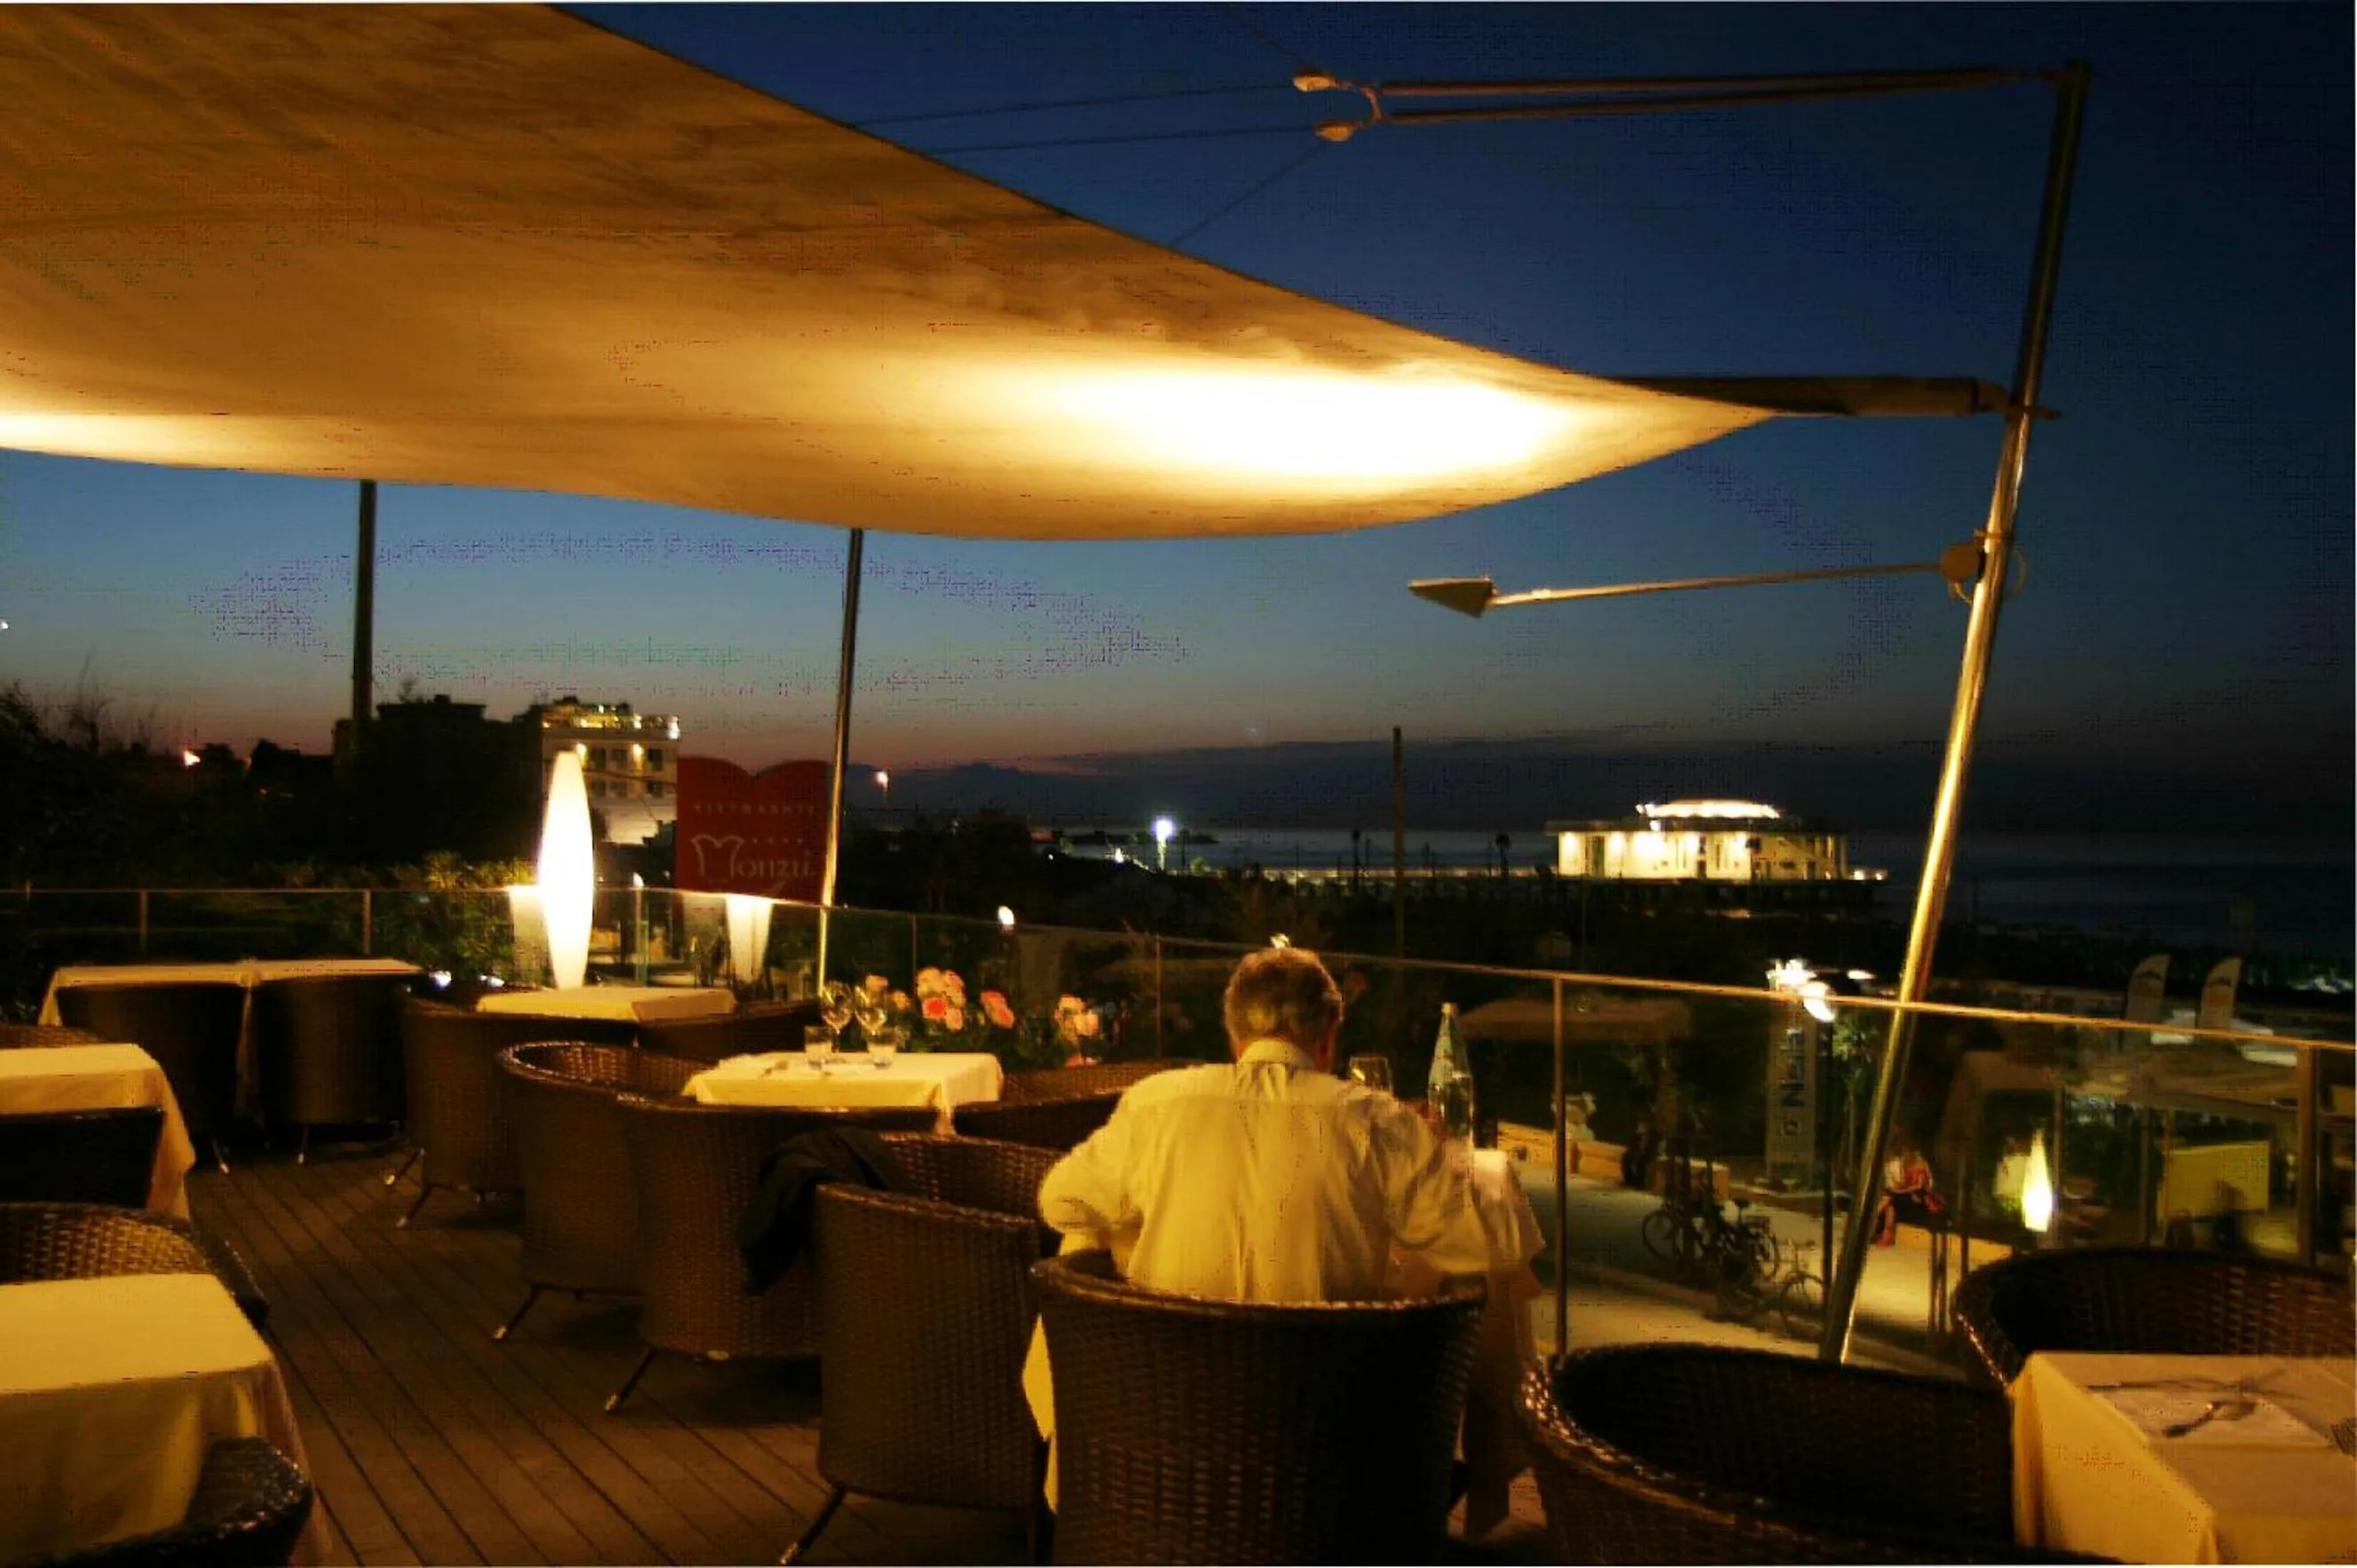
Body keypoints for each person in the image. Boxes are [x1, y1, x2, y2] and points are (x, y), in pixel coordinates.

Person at [1037, 946, 1495, 1301]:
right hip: (1342, 1406)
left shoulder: (1157, 1103)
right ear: (1329, 1035)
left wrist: (1146, 1219)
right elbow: (1483, 1246)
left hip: (1166, 1394)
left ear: (1234, 1037)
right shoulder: (1376, 1121)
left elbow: (1060, 1201)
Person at [1872, 1130, 1939, 1246]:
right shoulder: (1906, 1164)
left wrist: (1899, 1191)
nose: (1906, 1153)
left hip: (1920, 1200)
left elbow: (1919, 1187)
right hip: (1908, 1197)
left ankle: (1875, 1222)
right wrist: (1898, 1189)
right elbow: (1903, 1184)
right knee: (1890, 1204)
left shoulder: (1921, 1165)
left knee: (1890, 1198)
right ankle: (1886, 1235)